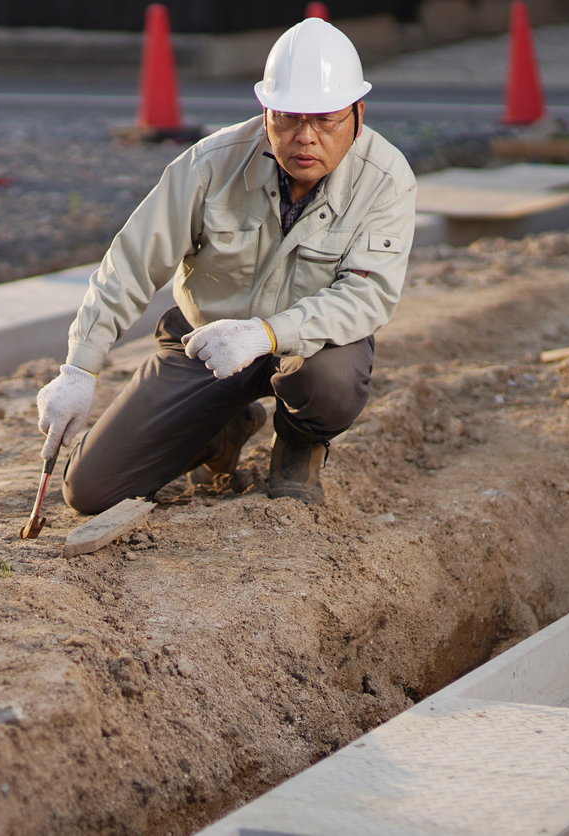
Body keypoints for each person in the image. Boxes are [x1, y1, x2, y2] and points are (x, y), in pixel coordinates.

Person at [36, 17, 417, 515]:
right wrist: (79, 368)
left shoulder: (386, 180)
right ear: (265, 113)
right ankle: (221, 428)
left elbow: (367, 295)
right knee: (88, 491)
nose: (305, 137)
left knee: (333, 381)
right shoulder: (209, 165)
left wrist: (266, 334)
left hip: (310, 350)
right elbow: (130, 263)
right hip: (205, 343)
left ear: (357, 114)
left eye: (325, 119)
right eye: (287, 117)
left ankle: (299, 444)